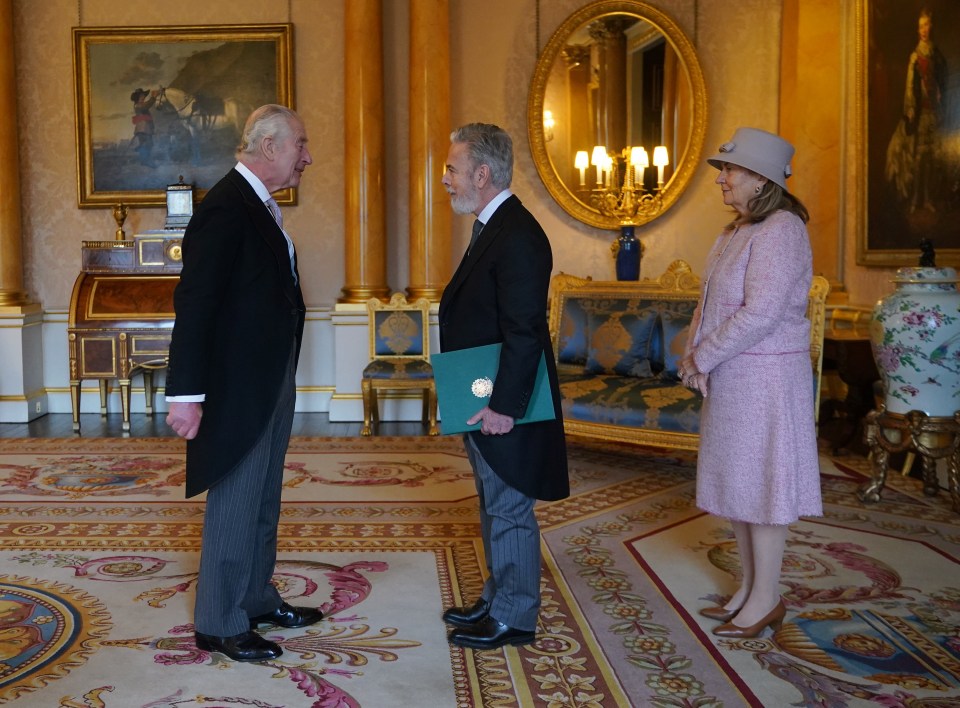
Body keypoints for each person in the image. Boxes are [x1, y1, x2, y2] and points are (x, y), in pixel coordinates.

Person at [165, 104, 320, 663]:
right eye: (301, 144)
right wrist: (185, 393)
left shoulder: (259, 205)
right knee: (236, 499)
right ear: (270, 145)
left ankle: (254, 596)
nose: (307, 156)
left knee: (263, 498)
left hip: (268, 377)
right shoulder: (226, 208)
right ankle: (219, 622)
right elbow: (196, 303)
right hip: (236, 385)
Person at [678, 127, 821, 639]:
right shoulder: (734, 231)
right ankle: (750, 586)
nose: (722, 179)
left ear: (760, 179)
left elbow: (760, 313)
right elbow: (710, 303)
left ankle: (767, 596)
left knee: (763, 487)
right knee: (740, 486)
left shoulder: (782, 229)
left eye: (730, 170)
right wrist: (693, 354)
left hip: (766, 380)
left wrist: (704, 354)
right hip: (735, 376)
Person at [438, 123, 569, 650]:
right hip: (481, 389)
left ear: (482, 173)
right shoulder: (493, 226)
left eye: (452, 168)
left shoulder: (517, 235)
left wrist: (503, 407)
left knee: (510, 504)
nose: (445, 178)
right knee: (494, 500)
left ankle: (515, 615)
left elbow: (524, 330)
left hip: (503, 398)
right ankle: (498, 599)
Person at [885, 8, 947, 213]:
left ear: (931, 27)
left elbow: (943, 81)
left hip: (934, 113)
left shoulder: (937, 55)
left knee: (931, 159)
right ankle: (916, 199)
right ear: (917, 29)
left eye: (926, 25)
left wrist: (940, 94)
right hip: (919, 115)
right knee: (919, 159)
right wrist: (910, 109)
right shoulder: (914, 57)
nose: (923, 29)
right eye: (920, 26)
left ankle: (928, 199)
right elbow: (910, 89)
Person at [130, 88, 159, 167]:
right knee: (148, 144)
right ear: (138, 97)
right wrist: (153, 97)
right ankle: (147, 161)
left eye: (143, 95)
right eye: (141, 96)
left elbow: (147, 105)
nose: (143, 97)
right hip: (143, 128)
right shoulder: (138, 105)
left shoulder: (141, 104)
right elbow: (147, 106)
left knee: (146, 144)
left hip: (145, 128)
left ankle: (144, 160)